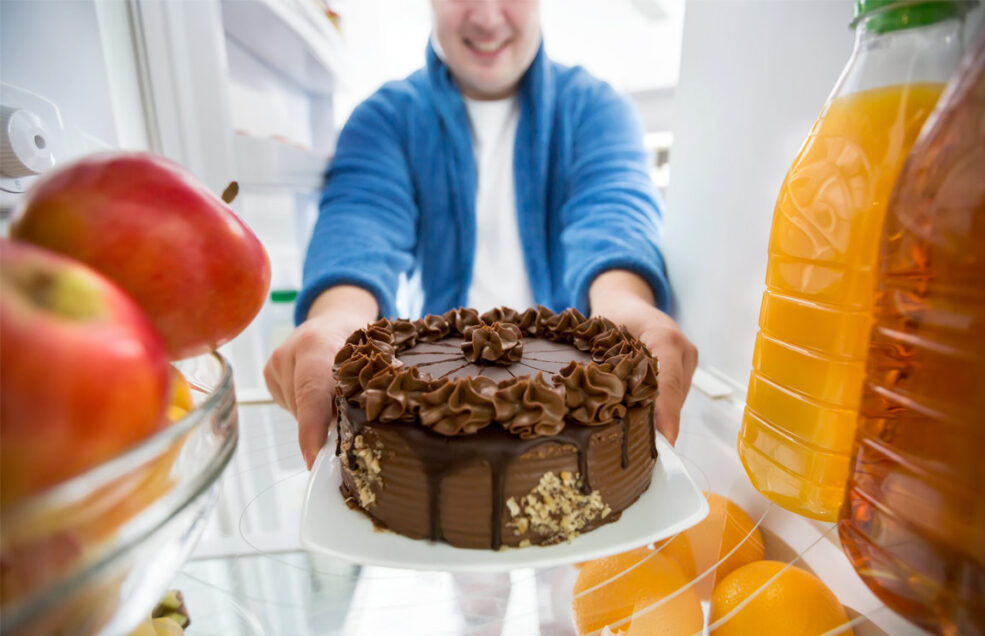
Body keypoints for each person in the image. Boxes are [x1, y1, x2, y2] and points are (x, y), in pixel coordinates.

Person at [265, 0, 698, 469]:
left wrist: (625, 308)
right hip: (438, 429)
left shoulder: (597, 109)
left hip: (570, 433)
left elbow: (613, 215)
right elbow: (360, 224)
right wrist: (335, 322)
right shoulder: (384, 119)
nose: (488, 16)